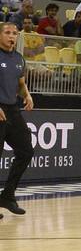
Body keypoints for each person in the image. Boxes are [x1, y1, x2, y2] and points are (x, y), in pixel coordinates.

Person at [0, 22, 34, 216]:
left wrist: (27, 95)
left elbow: (20, 83)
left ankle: (7, 195)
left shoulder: (19, 59)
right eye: (7, 32)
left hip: (12, 109)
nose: (11, 36)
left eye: (14, 33)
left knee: (26, 151)